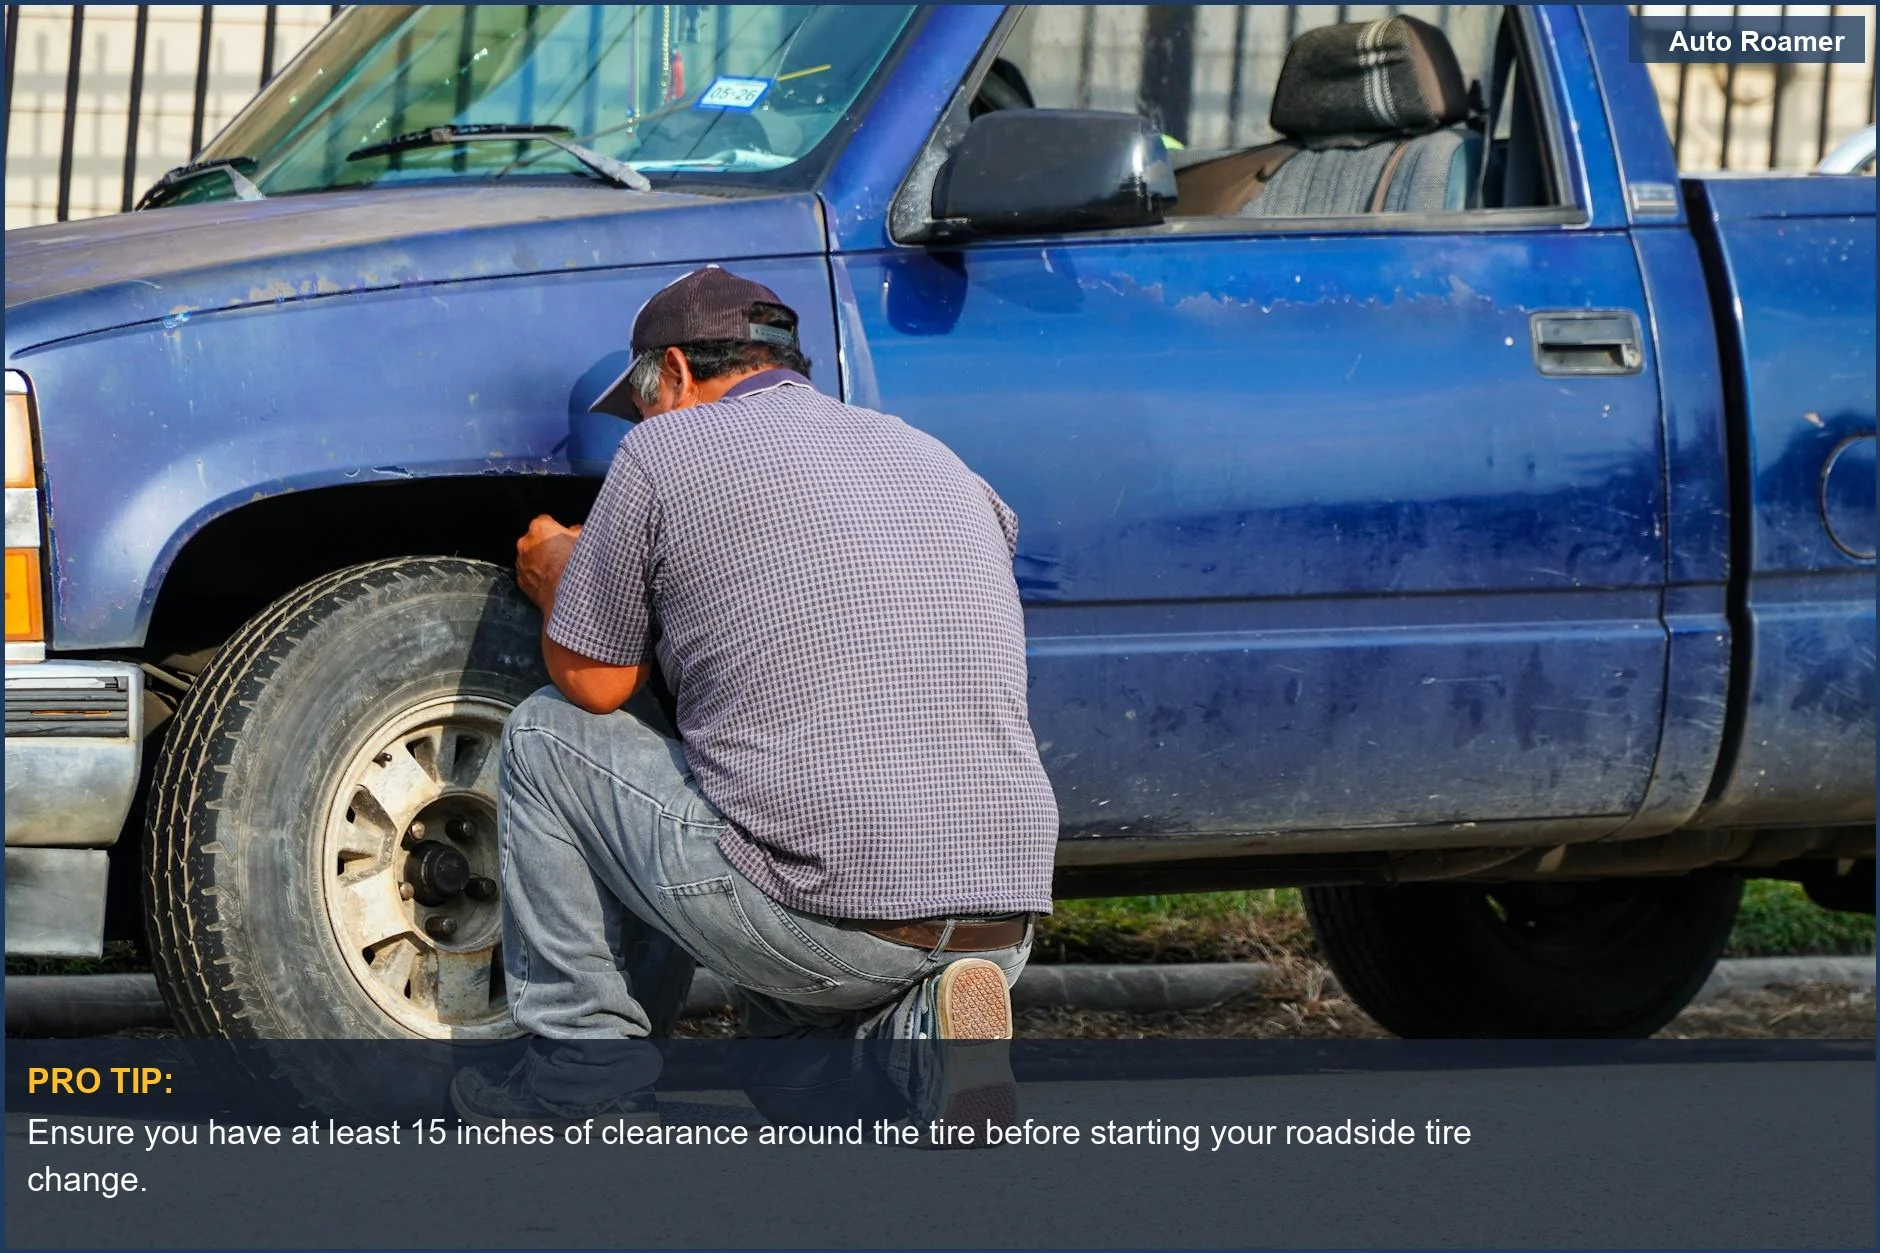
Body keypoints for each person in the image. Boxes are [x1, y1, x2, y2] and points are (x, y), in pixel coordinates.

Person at [450, 266, 1059, 1125]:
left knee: (547, 738)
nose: (642, 421)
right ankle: (924, 1032)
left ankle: (582, 1080)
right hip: (1006, 910)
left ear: (677, 371)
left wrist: (561, 577)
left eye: (643, 399)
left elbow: (595, 681)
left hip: (834, 910)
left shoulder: (663, 452)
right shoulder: (940, 462)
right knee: (785, 1084)